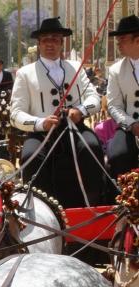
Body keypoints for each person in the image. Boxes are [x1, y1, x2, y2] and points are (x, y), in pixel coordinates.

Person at [10, 17, 104, 207]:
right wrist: (40, 122)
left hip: (74, 129)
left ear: (62, 42)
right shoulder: (25, 73)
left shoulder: (76, 68)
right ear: (39, 44)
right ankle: (38, 210)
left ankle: (94, 203)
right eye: (45, 39)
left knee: (92, 146)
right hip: (42, 133)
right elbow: (16, 114)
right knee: (30, 156)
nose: (50, 43)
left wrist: (80, 110)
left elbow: (94, 99)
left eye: (54, 39)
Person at [107, 15, 139, 179]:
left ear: (137, 40)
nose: (118, 43)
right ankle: (122, 199)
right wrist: (132, 124)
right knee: (117, 155)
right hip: (129, 126)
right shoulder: (115, 70)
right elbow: (113, 106)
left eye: (123, 39)